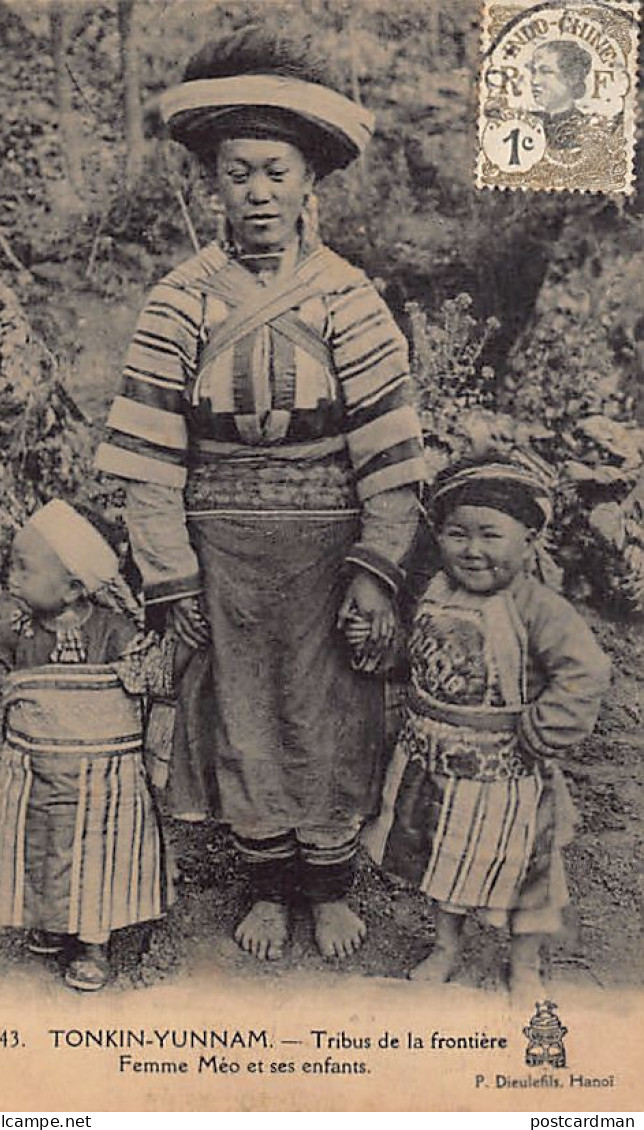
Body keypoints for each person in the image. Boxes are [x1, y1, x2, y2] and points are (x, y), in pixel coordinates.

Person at [95, 25, 427, 962]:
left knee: (328, 716)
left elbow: (393, 456)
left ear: (309, 180)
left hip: (329, 548)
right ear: (213, 183)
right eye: (239, 173)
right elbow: (149, 458)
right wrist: (172, 577)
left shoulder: (350, 300)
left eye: (277, 173)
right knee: (235, 716)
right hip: (220, 549)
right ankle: (266, 884)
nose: (259, 193)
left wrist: (376, 572)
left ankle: (328, 885)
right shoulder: (179, 301)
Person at [364, 454, 610, 996]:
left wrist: (545, 728)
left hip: (509, 772)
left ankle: (524, 965)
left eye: (490, 535)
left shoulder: (537, 607)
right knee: (443, 859)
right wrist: (383, 650)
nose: (472, 550)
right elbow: (415, 654)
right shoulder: (431, 591)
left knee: (526, 873)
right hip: (436, 762)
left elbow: (586, 672)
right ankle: (446, 946)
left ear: (527, 541)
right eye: (457, 533)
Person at [0, 500, 190, 991]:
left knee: (97, 848)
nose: (10, 576)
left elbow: (155, 680)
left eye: (23, 567)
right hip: (38, 765)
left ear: (75, 586)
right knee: (43, 841)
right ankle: (51, 920)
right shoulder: (20, 631)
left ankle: (92, 941)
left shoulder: (114, 632)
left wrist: (177, 646)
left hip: (101, 776)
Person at [528, 41, 594, 151]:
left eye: (546, 71)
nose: (534, 81)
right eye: (533, 71)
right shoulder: (526, 123)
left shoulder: (587, 130)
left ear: (572, 78)